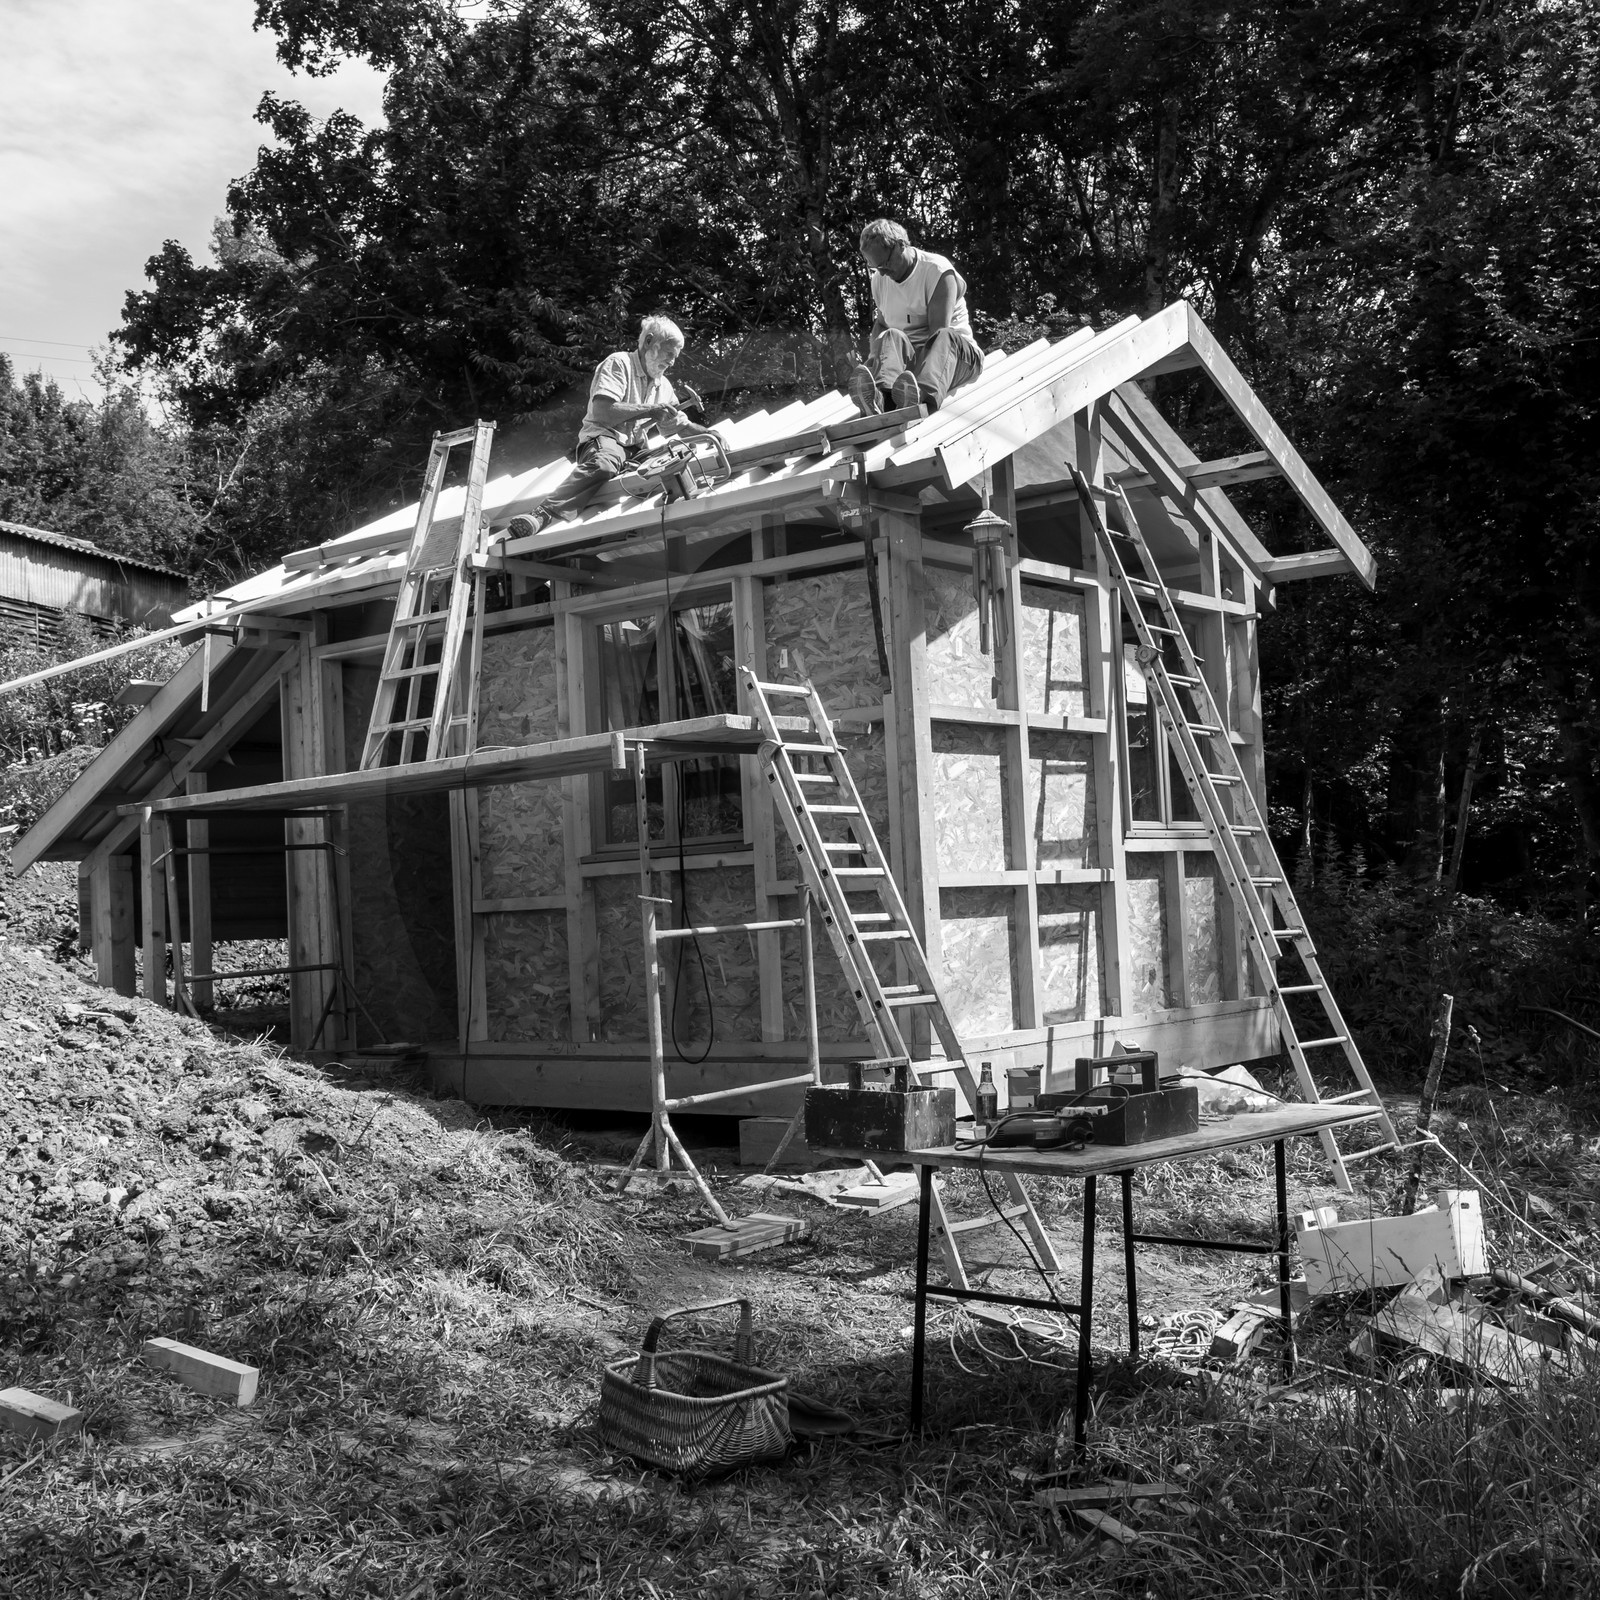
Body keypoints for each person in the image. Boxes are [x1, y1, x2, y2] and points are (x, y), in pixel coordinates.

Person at [504, 316, 689, 538]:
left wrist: (710, 434)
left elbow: (676, 427)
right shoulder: (619, 363)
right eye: (669, 353)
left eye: (675, 357)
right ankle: (542, 513)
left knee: (679, 453)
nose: (672, 362)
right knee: (604, 464)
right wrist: (650, 410)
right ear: (649, 341)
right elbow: (603, 412)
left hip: (636, 451)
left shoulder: (664, 385)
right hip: (605, 439)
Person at [849, 219, 984, 417]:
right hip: (912, 371)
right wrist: (875, 361)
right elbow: (881, 324)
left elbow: (937, 339)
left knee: (944, 336)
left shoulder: (937, 271)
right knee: (891, 335)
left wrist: (906, 372)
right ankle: (882, 399)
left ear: (901, 245)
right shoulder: (880, 280)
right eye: (876, 268)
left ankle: (918, 397)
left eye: (885, 264)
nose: (882, 273)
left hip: (956, 358)